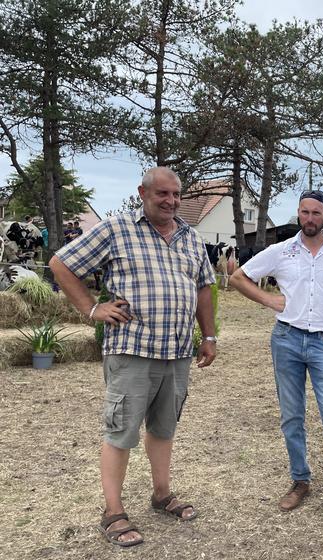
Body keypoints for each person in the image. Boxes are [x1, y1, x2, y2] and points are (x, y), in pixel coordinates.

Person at [49, 167, 217, 547]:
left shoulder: (190, 237)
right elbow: (61, 264)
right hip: (132, 349)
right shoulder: (116, 228)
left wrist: (208, 335)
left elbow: (204, 287)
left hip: (176, 353)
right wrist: (93, 309)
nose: (171, 201)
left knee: (163, 429)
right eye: (163, 194)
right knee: (121, 431)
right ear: (143, 192)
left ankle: (161, 494)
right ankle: (113, 511)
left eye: (176, 195)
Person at [229, 189, 323, 538]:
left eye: (316, 213)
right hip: (287, 340)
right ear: (298, 214)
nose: (309, 218)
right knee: (292, 416)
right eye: (304, 212)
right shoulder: (282, 251)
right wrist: (268, 299)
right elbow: (237, 278)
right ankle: (300, 480)